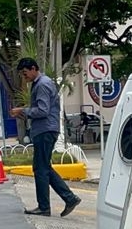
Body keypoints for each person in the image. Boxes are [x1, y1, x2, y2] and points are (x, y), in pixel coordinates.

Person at [10, 57, 81, 217]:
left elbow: (43, 110)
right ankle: (69, 198)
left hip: (45, 130)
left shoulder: (42, 85)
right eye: (22, 74)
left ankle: (44, 207)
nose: (24, 76)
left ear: (34, 68)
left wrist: (23, 111)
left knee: (40, 169)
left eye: (25, 72)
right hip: (46, 129)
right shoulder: (41, 83)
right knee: (44, 167)